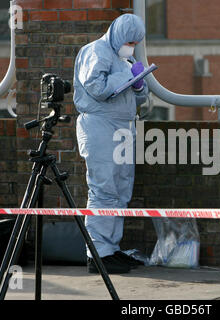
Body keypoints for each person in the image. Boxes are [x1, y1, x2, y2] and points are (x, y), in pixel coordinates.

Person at [74, 14, 149, 274]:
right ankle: (98, 253)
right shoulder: (96, 51)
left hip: (123, 127)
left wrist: (139, 85)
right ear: (118, 34)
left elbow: (137, 100)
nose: (131, 46)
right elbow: (96, 87)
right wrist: (126, 78)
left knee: (121, 189)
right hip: (100, 126)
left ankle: (112, 249)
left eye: (135, 42)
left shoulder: (124, 58)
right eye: (129, 40)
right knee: (103, 189)